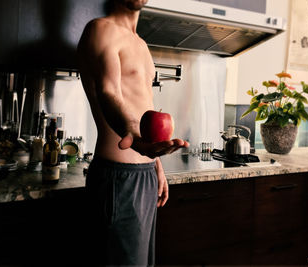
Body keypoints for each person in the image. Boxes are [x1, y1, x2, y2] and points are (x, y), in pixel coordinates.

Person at [77, 0, 189, 265]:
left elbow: (144, 108)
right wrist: (131, 132)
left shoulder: (141, 45)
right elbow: (109, 91)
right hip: (118, 177)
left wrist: (156, 164)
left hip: (145, 175)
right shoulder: (101, 30)